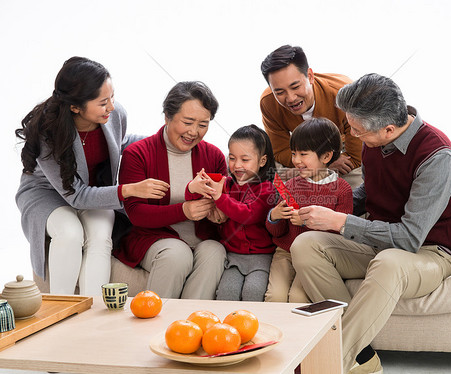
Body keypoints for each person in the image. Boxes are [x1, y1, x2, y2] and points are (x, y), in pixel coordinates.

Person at [291, 73, 451, 374]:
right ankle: (362, 357)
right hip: (379, 242)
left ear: (388, 129)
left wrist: (340, 221)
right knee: (305, 244)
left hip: (432, 251)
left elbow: (409, 238)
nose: (353, 135)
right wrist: (326, 208)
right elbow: (369, 193)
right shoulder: (374, 141)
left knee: (388, 262)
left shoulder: (437, 156)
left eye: (357, 132)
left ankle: (325, 365)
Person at [15, 57, 169, 296]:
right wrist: (129, 190)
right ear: (75, 107)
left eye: (112, 97)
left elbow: (123, 142)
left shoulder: (116, 115)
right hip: (48, 193)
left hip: (95, 188)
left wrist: (164, 141)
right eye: (103, 102)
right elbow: (75, 195)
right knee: (69, 233)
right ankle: (61, 311)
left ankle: (92, 315)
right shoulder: (50, 133)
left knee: (100, 237)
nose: (111, 106)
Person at [114, 81, 227, 299]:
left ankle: (189, 325)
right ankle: (155, 326)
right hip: (152, 237)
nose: (194, 132)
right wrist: (183, 210)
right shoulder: (137, 154)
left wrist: (220, 215)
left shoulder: (214, 156)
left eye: (203, 124)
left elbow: (227, 205)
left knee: (215, 251)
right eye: (188, 122)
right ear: (167, 116)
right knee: (177, 255)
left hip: (201, 237)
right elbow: (136, 214)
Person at [265, 117, 353, 303]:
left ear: (326, 157)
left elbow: (342, 236)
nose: (296, 160)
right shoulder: (290, 185)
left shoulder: (342, 190)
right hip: (285, 252)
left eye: (303, 154)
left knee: (298, 297)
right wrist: (274, 217)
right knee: (275, 296)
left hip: (317, 256)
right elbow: (278, 232)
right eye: (294, 153)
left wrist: (307, 222)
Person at [188, 125, 277, 301]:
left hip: (261, 257)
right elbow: (198, 194)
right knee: (226, 293)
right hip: (233, 256)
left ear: (262, 161)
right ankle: (226, 328)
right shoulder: (226, 183)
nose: (237, 165)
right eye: (232, 158)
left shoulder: (267, 189)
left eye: (245, 160)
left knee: (253, 292)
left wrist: (220, 197)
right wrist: (193, 187)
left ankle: (251, 328)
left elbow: (248, 214)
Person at [259, 44, 363, 188]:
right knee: (262, 171)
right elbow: (280, 150)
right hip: (299, 152)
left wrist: (324, 163)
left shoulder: (344, 94)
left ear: (310, 76)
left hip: (338, 150)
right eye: (279, 92)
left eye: (295, 87)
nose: (290, 98)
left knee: (358, 183)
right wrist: (316, 165)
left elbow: (356, 156)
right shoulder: (268, 101)